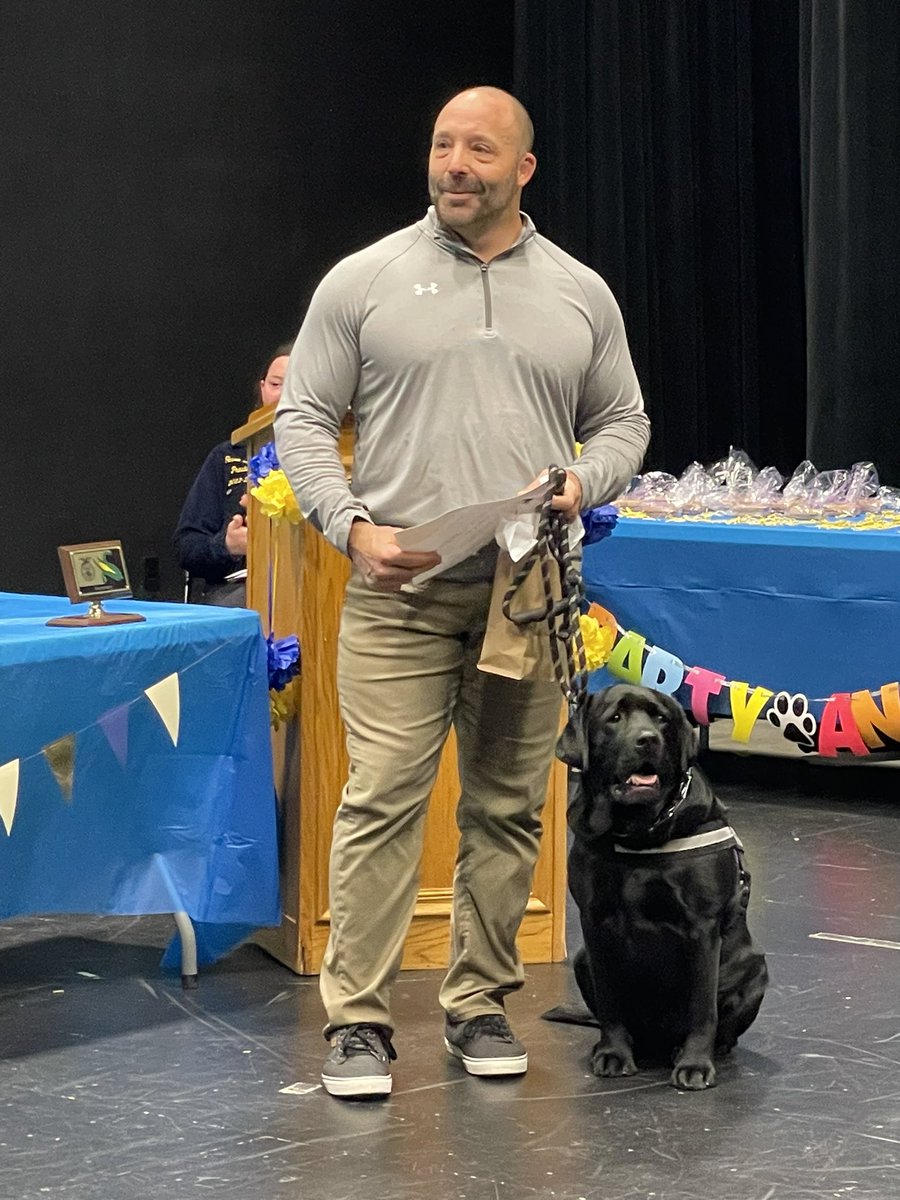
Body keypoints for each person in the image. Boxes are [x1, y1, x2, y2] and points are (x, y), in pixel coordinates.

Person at [275, 86, 650, 1099]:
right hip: (398, 590)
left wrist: (586, 480)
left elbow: (623, 421)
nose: (454, 164)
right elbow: (303, 417)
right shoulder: (365, 280)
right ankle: (357, 1023)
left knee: (507, 808)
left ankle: (480, 1004)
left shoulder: (580, 291)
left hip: (527, 594)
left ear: (523, 169)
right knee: (383, 797)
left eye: (479, 150)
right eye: (442, 145)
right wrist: (350, 526)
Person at [175, 342, 293, 606]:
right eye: (276, 384)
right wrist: (227, 545)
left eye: (296, 385)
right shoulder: (227, 456)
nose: (285, 395)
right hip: (240, 587)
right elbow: (187, 546)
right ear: (262, 388)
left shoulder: (332, 453)